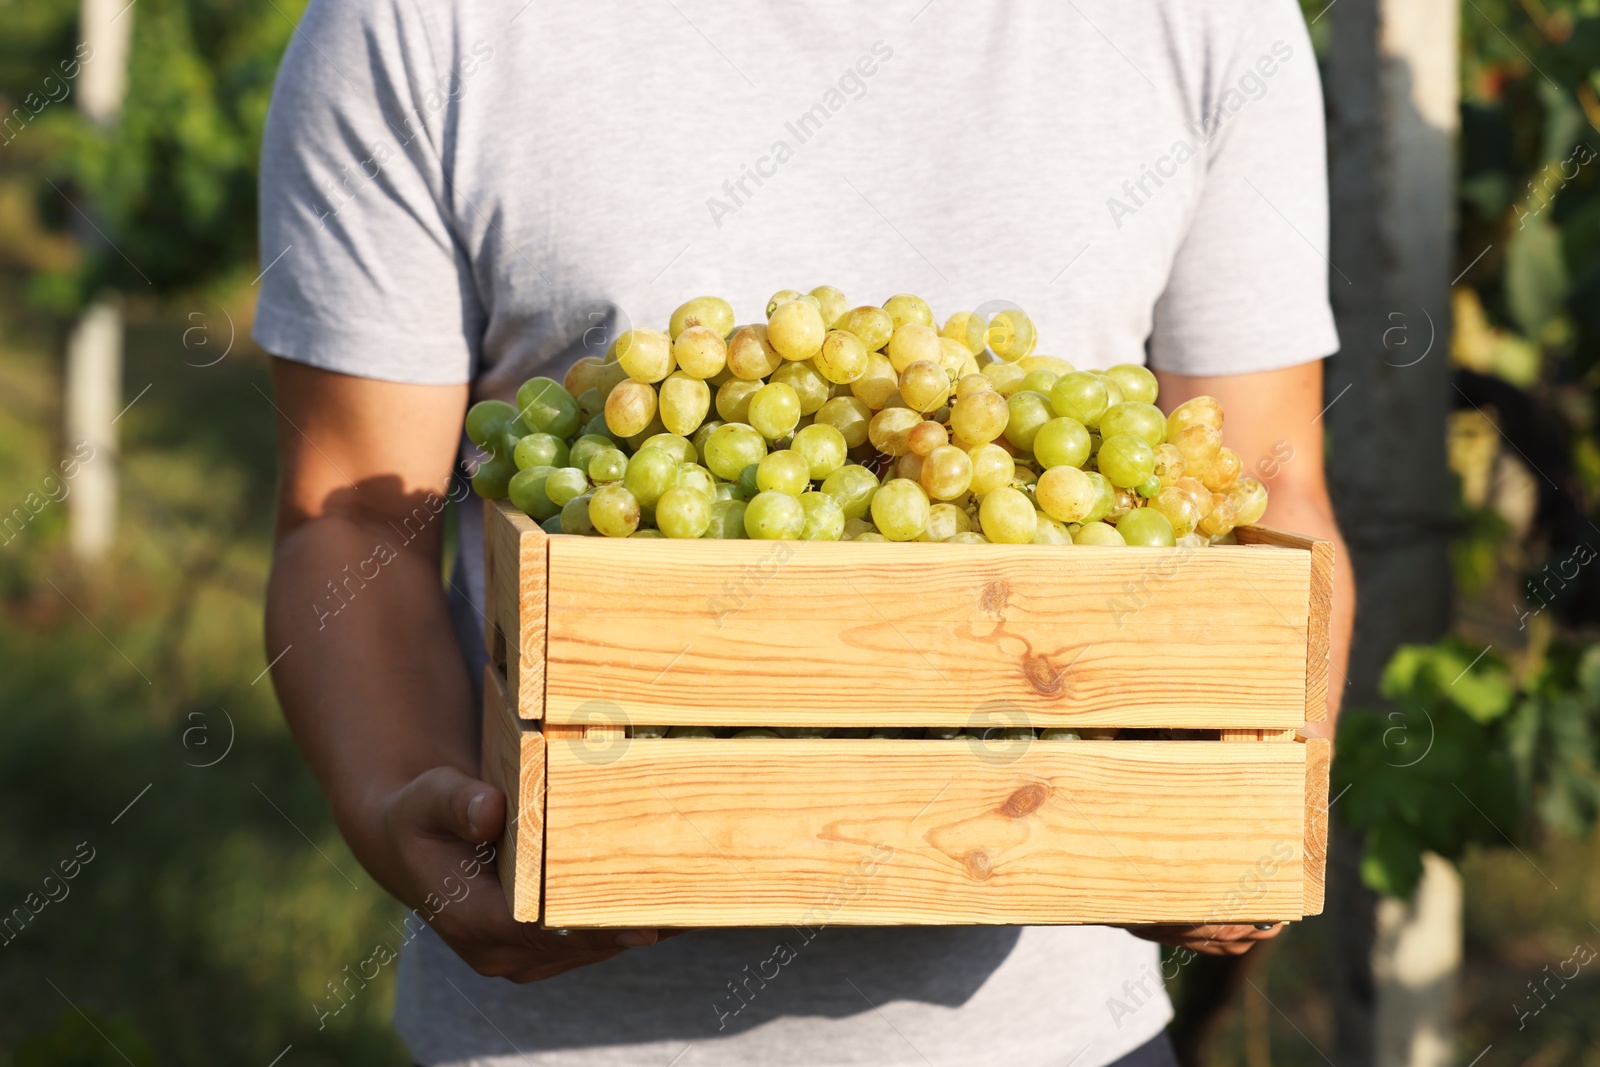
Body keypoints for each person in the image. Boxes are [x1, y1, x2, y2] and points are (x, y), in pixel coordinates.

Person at [257, 0, 1355, 1063]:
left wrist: (1241, 805)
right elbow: (353, 506)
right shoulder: (415, 20)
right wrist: (396, 799)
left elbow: (1266, 491)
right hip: (548, 1040)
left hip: (1061, 1040)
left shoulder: (1206, 18)